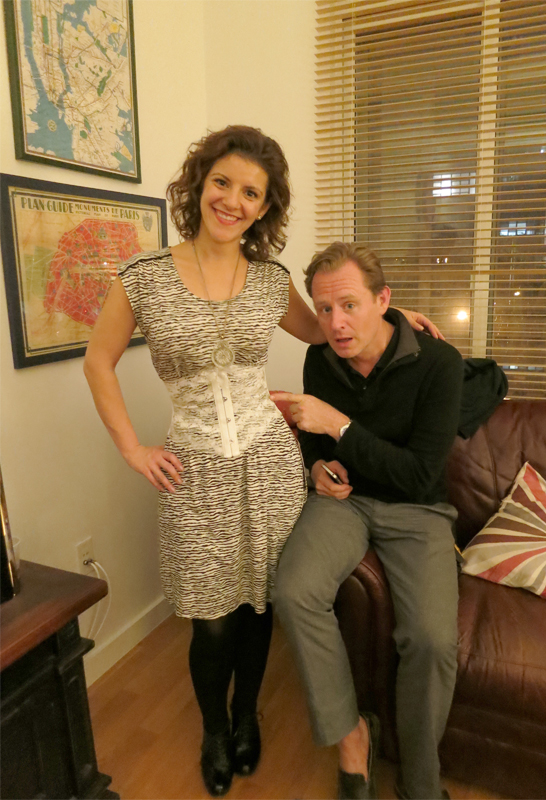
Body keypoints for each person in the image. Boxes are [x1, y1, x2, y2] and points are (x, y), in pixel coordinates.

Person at [84, 126, 441, 798]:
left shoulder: (272, 280)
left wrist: (394, 314)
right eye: (223, 182)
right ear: (200, 184)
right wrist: (133, 448)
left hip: (269, 464)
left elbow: (329, 328)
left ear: (264, 206)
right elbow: (97, 362)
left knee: (258, 609)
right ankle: (214, 730)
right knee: (212, 619)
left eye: (251, 192)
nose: (233, 200)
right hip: (193, 471)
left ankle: (247, 715)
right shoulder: (144, 277)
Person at [272, 241, 464, 800]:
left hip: (417, 509)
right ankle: (352, 735)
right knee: (293, 591)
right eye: (324, 309)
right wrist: (315, 466)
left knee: (431, 640)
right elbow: (314, 439)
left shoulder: (439, 364)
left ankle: (421, 782)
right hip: (345, 501)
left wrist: (340, 426)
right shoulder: (320, 359)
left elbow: (419, 475)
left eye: (350, 305)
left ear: (384, 301)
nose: (335, 323)